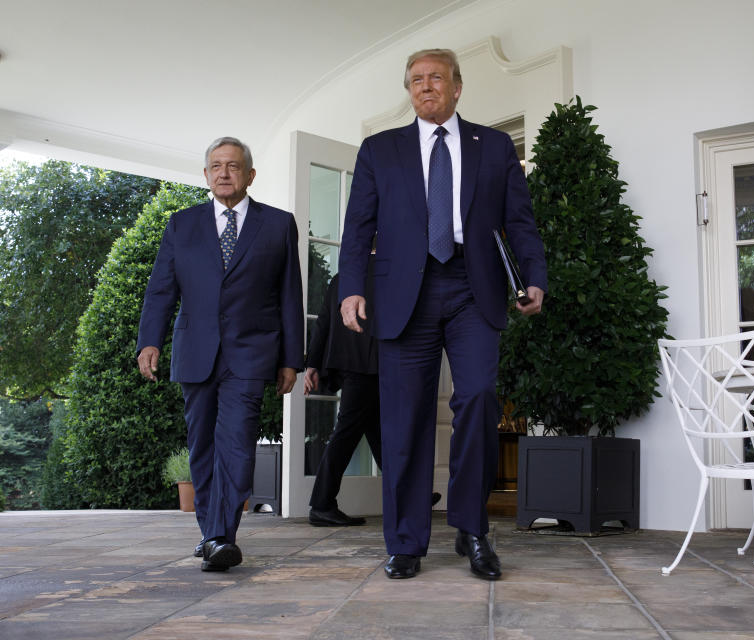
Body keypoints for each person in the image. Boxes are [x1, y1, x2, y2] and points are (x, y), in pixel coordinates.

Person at [338, 48, 547, 580]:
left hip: (471, 286)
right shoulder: (379, 150)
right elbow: (358, 227)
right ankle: (406, 541)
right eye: (415, 80)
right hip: (404, 291)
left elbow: (519, 220)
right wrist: (351, 289)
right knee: (404, 416)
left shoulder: (495, 146)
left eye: (435, 78)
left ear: (457, 87)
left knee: (478, 397)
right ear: (409, 91)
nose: (425, 86)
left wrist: (534, 278)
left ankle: (472, 529)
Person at [136, 137, 304, 572]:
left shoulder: (278, 224)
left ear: (250, 175)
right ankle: (210, 531)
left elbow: (290, 295)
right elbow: (161, 290)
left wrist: (292, 358)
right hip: (195, 351)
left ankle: (220, 536)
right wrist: (149, 341)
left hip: (252, 352)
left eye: (233, 166)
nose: (224, 173)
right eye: (215, 166)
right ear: (206, 175)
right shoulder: (181, 225)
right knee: (202, 446)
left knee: (237, 443)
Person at [303, 263, 381, 527]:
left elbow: (324, 321)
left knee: (377, 431)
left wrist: (312, 364)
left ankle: (410, 494)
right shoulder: (387, 273)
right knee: (347, 431)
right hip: (368, 366)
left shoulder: (342, 277)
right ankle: (322, 504)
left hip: (350, 364)